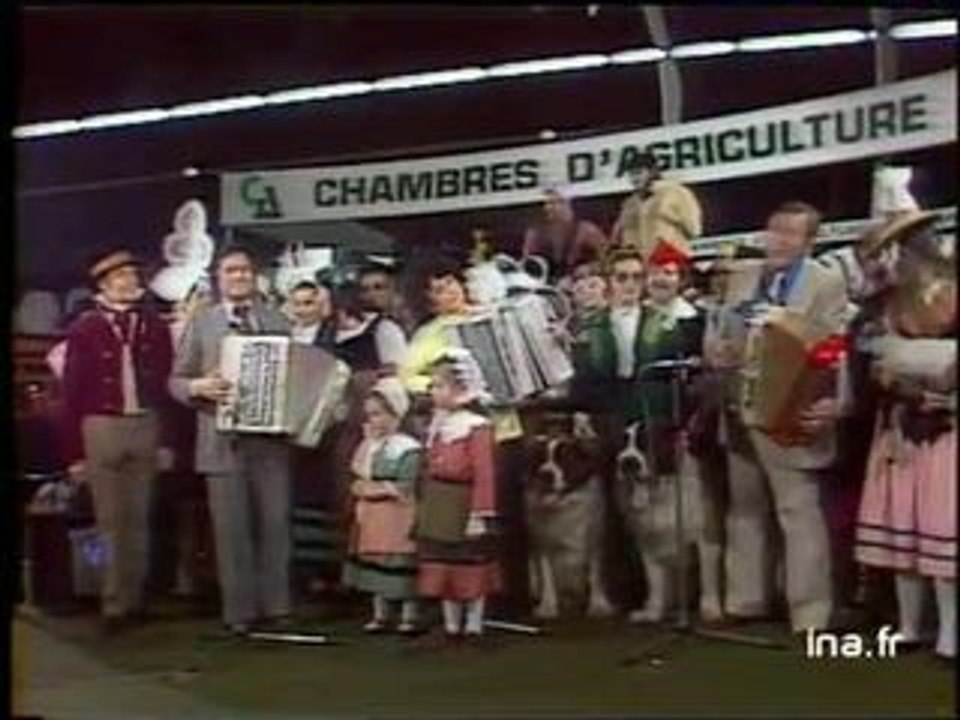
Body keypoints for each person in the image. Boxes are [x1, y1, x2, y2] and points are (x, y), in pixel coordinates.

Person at [703, 201, 848, 634]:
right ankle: (746, 599)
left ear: (809, 241)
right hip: (738, 405)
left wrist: (833, 405)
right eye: (774, 230)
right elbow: (721, 330)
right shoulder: (743, 277)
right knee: (744, 507)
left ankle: (809, 612)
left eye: (790, 233)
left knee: (796, 509)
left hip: (791, 410)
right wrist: (717, 349)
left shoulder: (827, 283)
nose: (779, 240)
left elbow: (836, 348)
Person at [168, 244, 293, 635]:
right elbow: (175, 381)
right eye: (230, 271)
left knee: (275, 526)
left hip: (270, 443)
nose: (238, 277)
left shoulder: (276, 319)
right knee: (231, 531)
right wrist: (198, 386)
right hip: (221, 443)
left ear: (253, 277)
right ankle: (239, 613)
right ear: (218, 279)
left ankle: (277, 605)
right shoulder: (202, 323)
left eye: (244, 270)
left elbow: (297, 371)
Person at [399, 255, 529, 618]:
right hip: (460, 434)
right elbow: (408, 376)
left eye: (451, 284)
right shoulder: (429, 334)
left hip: (504, 427)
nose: (447, 293)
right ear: (429, 300)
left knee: (509, 513)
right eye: (437, 290)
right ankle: (472, 601)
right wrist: (449, 389)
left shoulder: (493, 317)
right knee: (467, 522)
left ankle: (515, 595)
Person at [854, 210, 956, 661]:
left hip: (948, 424)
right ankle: (911, 625)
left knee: (941, 525)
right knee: (903, 525)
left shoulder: (952, 293)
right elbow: (872, 362)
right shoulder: (886, 303)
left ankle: (950, 632)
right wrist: (897, 381)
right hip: (900, 422)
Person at [61, 248, 173, 633]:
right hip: (101, 427)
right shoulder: (85, 328)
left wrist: (166, 441)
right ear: (104, 285)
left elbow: (163, 385)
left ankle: (136, 597)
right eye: (121, 277)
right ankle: (111, 601)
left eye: (133, 276)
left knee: (139, 518)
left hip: (145, 424)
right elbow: (71, 394)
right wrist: (74, 454)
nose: (130, 283)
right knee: (108, 521)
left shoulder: (153, 325)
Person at [415, 348, 501, 640]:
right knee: (442, 562)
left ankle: (474, 622)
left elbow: (484, 474)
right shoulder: (439, 426)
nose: (434, 392)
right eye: (434, 386)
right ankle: (451, 623)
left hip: (463, 502)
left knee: (469, 562)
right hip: (439, 502)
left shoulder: (475, 427)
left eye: (440, 386)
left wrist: (479, 513)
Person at [342, 377, 422, 634]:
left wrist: (377, 489)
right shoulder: (370, 446)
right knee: (375, 563)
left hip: (397, 516)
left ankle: (409, 615)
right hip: (373, 517)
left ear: (395, 414)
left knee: (399, 563)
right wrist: (368, 445)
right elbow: (359, 472)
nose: (372, 421)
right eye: (369, 415)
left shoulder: (407, 449)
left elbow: (405, 486)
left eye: (378, 414)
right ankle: (380, 614)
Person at [610, 151, 702, 263]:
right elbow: (617, 237)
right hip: (642, 269)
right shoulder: (629, 203)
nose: (634, 178)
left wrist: (665, 216)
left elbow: (695, 230)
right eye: (631, 174)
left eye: (639, 173)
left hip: (671, 264)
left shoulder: (677, 193)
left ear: (653, 171)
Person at [522, 187, 609, 282]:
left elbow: (609, 258)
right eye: (546, 203)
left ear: (567, 203)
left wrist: (591, 268)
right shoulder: (535, 233)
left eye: (553, 203)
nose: (548, 207)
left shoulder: (587, 230)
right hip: (547, 285)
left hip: (582, 284)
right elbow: (527, 263)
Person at [288, 279, 336, 350]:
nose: (302, 309)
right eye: (297, 304)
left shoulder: (333, 336)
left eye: (308, 303)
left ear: (321, 304)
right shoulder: (284, 335)